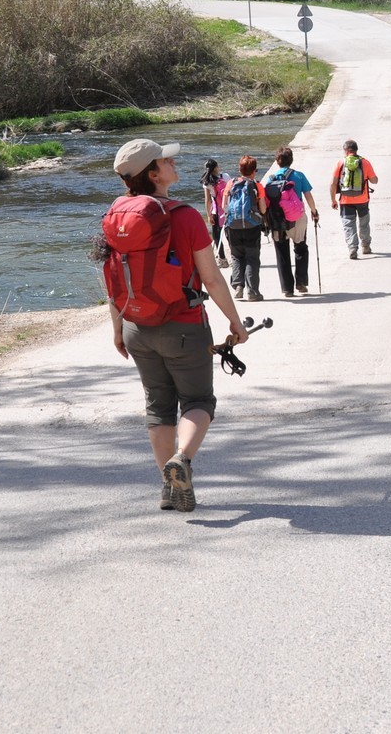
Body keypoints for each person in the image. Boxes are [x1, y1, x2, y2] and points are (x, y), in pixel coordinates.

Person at [107, 138, 247, 513]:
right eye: (166, 161)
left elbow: (114, 278)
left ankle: (169, 489)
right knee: (199, 401)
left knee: (159, 407)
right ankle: (181, 460)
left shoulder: (116, 214)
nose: (173, 163)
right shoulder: (184, 216)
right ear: (153, 174)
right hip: (184, 325)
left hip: (136, 326)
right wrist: (235, 322)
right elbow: (212, 278)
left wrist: (118, 327)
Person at [264, 145, 320, 297]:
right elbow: (308, 196)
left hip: (278, 219)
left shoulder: (271, 179)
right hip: (297, 218)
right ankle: (301, 283)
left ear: (277, 161)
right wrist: (314, 212)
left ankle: (287, 288)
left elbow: (266, 201)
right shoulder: (299, 176)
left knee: (281, 252)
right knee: (300, 248)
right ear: (291, 160)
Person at [224, 154, 269, 301]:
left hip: (233, 227)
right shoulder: (257, 185)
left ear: (240, 170)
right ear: (254, 171)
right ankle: (253, 292)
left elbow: (224, 206)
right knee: (252, 258)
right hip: (252, 227)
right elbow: (263, 209)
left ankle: (238, 286)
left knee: (236, 256)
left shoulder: (231, 183)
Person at [328, 138, 379, 259]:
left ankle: (352, 248)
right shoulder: (365, 162)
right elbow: (374, 181)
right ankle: (365, 246)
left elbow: (333, 183)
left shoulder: (341, 163)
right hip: (363, 199)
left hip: (345, 200)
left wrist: (333, 200)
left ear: (345, 150)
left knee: (348, 224)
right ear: (356, 150)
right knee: (364, 223)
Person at [200, 158, 231, 267]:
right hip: (229, 210)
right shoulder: (225, 177)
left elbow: (208, 200)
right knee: (230, 234)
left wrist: (209, 216)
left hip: (216, 211)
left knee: (217, 236)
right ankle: (235, 257)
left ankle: (222, 259)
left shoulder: (207, 183)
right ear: (216, 168)